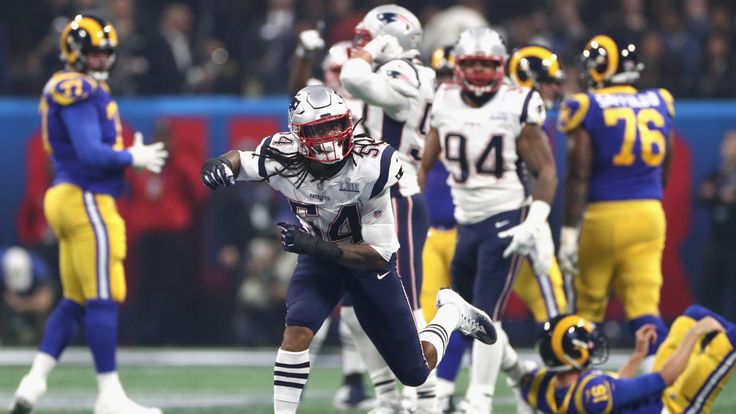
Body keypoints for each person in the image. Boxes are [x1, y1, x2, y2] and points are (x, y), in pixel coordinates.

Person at [200, 84, 497, 414]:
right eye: (320, 128)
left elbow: (379, 253)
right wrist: (219, 164)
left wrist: (317, 246)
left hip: (367, 264)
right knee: (297, 329)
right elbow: (240, 160)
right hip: (319, 260)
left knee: (414, 372)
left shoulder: (373, 165)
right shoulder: (281, 154)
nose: (330, 135)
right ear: (299, 134)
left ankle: (451, 311)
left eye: (336, 124)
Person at [10, 15, 168, 414]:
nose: (101, 60)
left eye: (105, 53)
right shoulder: (75, 87)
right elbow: (90, 152)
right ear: (74, 53)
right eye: (94, 53)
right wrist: (133, 157)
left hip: (69, 197)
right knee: (104, 297)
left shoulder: (82, 86)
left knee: (76, 300)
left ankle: (34, 382)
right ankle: (109, 397)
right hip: (85, 197)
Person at [419, 27, 558, 414]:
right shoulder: (443, 100)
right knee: (463, 316)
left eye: (487, 64)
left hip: (507, 218)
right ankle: (521, 376)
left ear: (501, 67)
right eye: (472, 64)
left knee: (485, 312)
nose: (479, 72)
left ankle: (478, 401)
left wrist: (536, 220)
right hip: (468, 223)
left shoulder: (517, 103)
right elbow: (423, 164)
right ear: (458, 67)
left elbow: (546, 170)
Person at [557, 34, 675, 372]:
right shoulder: (658, 101)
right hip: (649, 212)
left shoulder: (586, 107)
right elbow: (666, 162)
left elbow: (578, 174)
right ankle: (658, 396)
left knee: (589, 307)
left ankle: (584, 389)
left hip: (603, 216)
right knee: (644, 306)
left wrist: (568, 232)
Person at [340, 5, 437, 412]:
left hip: (396, 197)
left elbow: (351, 76)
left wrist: (365, 56)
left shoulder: (409, 73)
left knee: (407, 306)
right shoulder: (387, 73)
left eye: (368, 38)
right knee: (349, 312)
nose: (361, 45)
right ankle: (387, 396)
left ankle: (425, 397)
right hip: (363, 199)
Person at [288, 31, 372, 410]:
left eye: (344, 71)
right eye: (333, 71)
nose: (338, 79)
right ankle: (297, 371)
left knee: (358, 305)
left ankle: (356, 378)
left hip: (360, 210)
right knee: (311, 300)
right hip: (320, 209)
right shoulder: (317, 108)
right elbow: (294, 96)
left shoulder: (367, 101)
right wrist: (303, 56)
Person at [519, 306, 736, 413]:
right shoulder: (591, 393)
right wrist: (694, 334)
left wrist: (637, 355)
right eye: (586, 341)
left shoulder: (544, 389)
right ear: (572, 353)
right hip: (673, 407)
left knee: (692, 314)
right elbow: (666, 377)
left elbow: (616, 386)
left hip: (660, 396)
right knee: (729, 339)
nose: (592, 344)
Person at [698, 130, 736, 321]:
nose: (729, 149)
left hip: (733, 244)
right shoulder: (716, 173)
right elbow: (701, 196)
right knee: (710, 292)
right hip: (716, 243)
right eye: (727, 144)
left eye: (733, 144)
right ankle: (708, 335)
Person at [0, 246, 55, 345]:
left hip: (30, 294)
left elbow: (45, 301)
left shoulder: (39, 267)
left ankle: (39, 339)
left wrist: (21, 304)